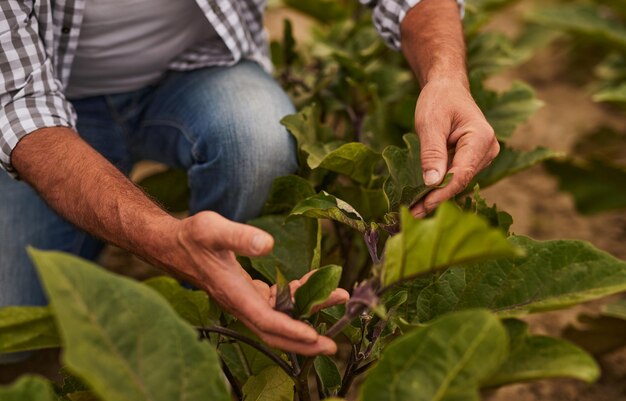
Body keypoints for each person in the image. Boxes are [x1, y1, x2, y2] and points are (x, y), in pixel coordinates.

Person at [0, 0, 499, 356]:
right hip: (49, 109)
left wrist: (446, 76)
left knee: (256, 141)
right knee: (11, 328)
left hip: (197, 70)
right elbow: (21, 108)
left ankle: (228, 313)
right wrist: (165, 238)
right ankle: (207, 274)